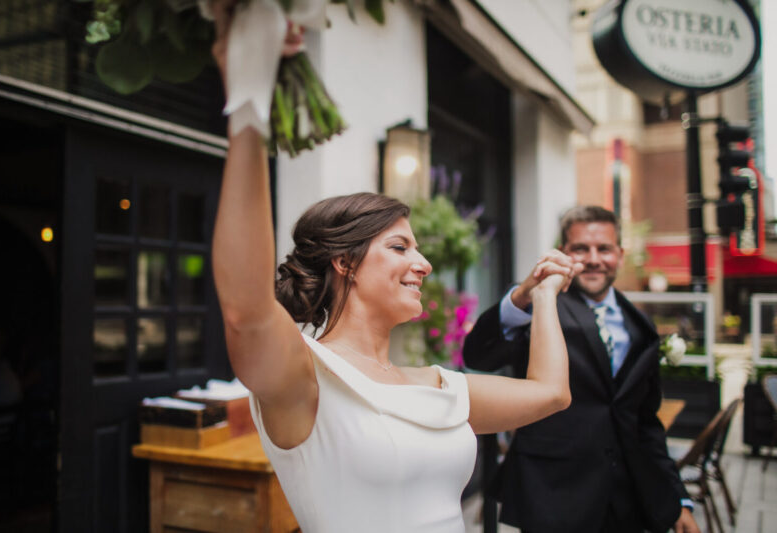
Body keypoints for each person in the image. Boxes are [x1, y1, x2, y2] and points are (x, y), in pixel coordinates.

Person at [208, 2, 577, 531]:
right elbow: (245, 310)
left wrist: (541, 296)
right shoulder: (305, 375)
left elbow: (551, 393)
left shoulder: (439, 386)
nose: (423, 263)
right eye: (400, 247)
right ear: (345, 261)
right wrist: (248, 105)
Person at [463, 206, 700, 533]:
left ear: (620, 253)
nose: (593, 258)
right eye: (580, 249)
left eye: (603, 248)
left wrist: (677, 499)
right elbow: (478, 356)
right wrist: (522, 296)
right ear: (564, 253)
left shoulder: (641, 325)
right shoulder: (542, 306)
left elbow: (645, 424)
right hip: (553, 496)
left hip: (626, 501)